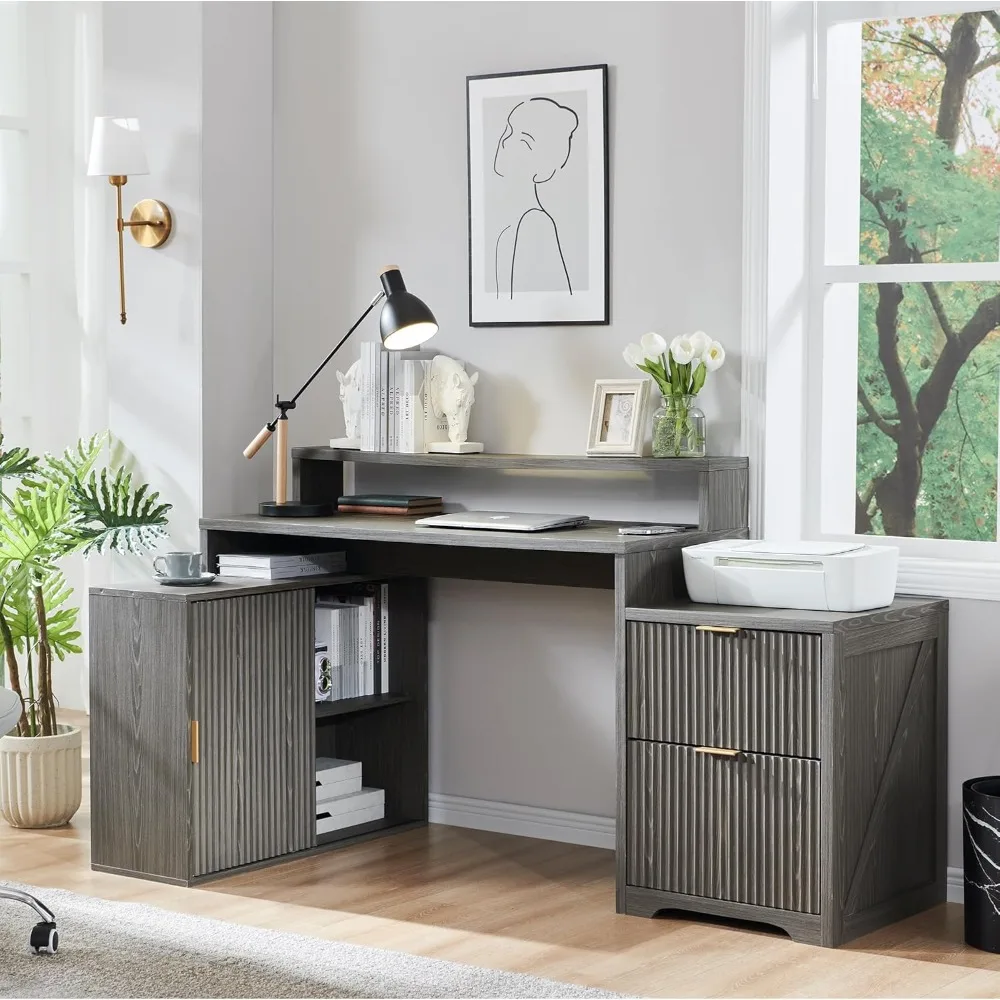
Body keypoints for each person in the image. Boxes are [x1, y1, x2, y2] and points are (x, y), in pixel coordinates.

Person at [492, 97, 579, 298]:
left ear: (544, 171)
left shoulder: (536, 223)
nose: (505, 141)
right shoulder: (508, 233)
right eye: (508, 130)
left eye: (524, 141)